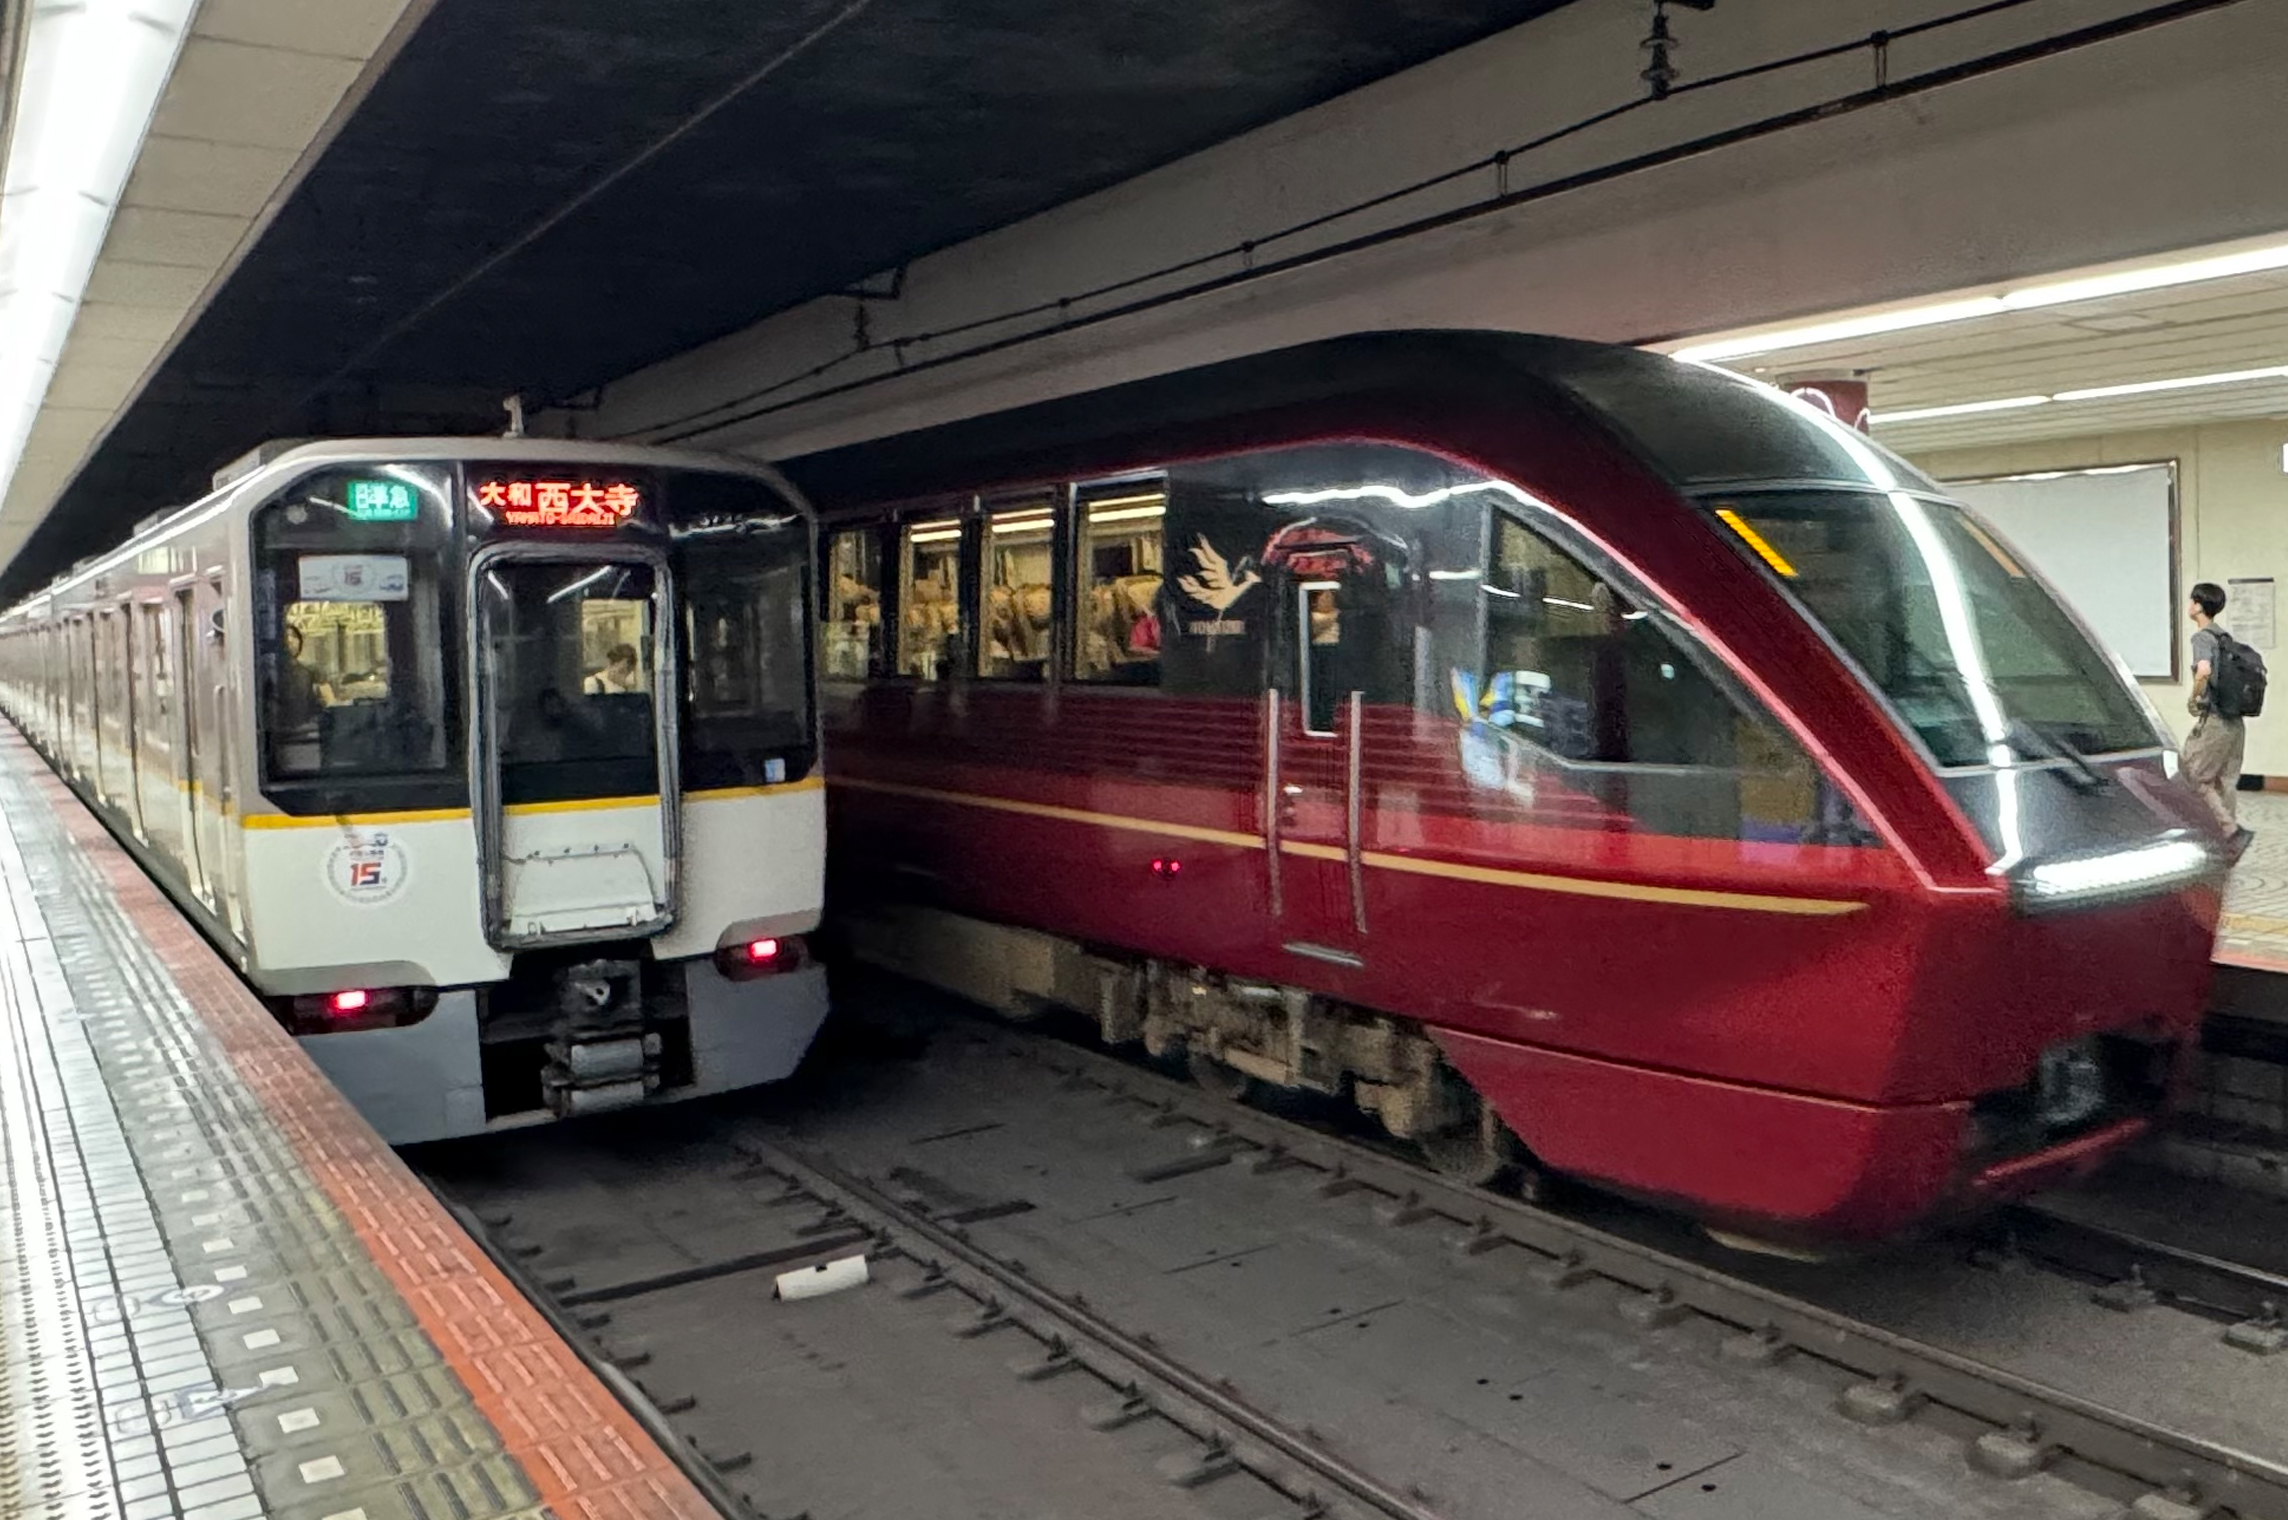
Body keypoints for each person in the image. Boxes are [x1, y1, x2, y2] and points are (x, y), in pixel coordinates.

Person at [2185, 581, 2255, 858]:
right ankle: (2228, 844)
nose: (2189, 605)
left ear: (2198, 606)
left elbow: (2203, 670)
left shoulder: (2202, 638)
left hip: (2215, 721)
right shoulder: (2226, 638)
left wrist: (2194, 697)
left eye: (2192, 601)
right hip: (2235, 722)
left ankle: (2229, 831)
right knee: (2226, 780)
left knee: (2195, 777)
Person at [277, 624, 333, 729]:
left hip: (309, 730)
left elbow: (329, 701)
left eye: (294, 636)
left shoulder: (312, 671)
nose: (290, 640)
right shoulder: (271, 673)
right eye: (286, 637)